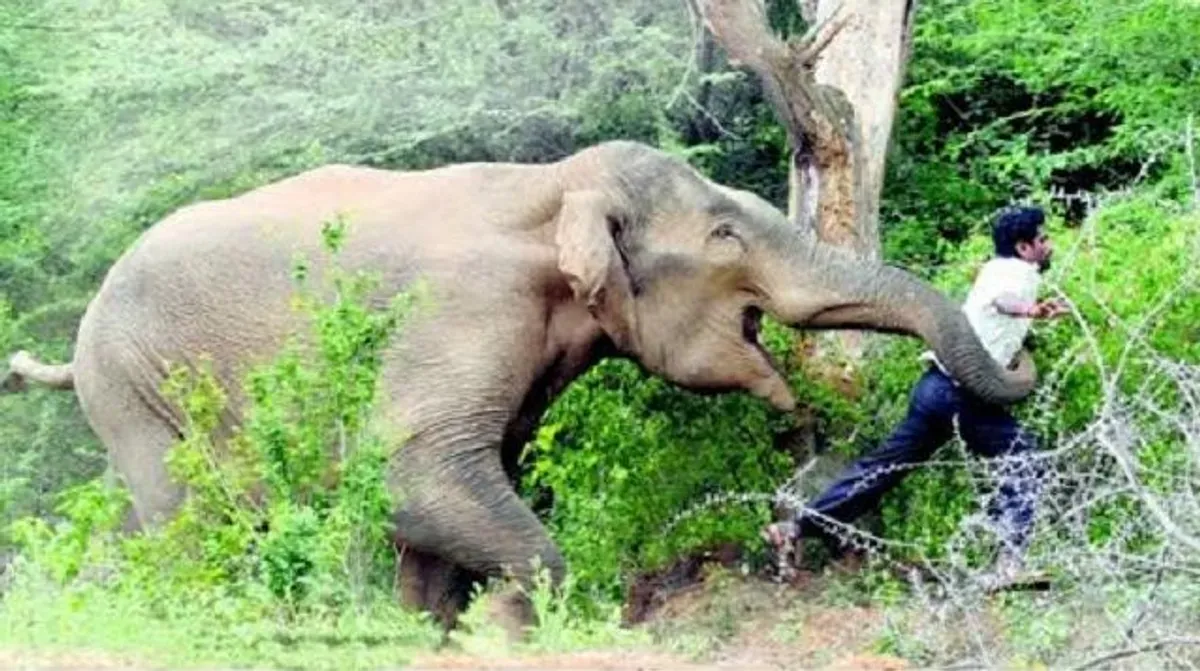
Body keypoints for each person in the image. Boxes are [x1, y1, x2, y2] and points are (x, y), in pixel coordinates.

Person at [762, 205, 1068, 589]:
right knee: (1025, 459)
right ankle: (1008, 565)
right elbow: (1003, 301)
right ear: (1024, 248)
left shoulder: (996, 268)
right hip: (961, 395)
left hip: (935, 389)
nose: (1049, 246)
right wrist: (1030, 310)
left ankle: (795, 528)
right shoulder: (1016, 274)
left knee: (884, 468)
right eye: (1043, 240)